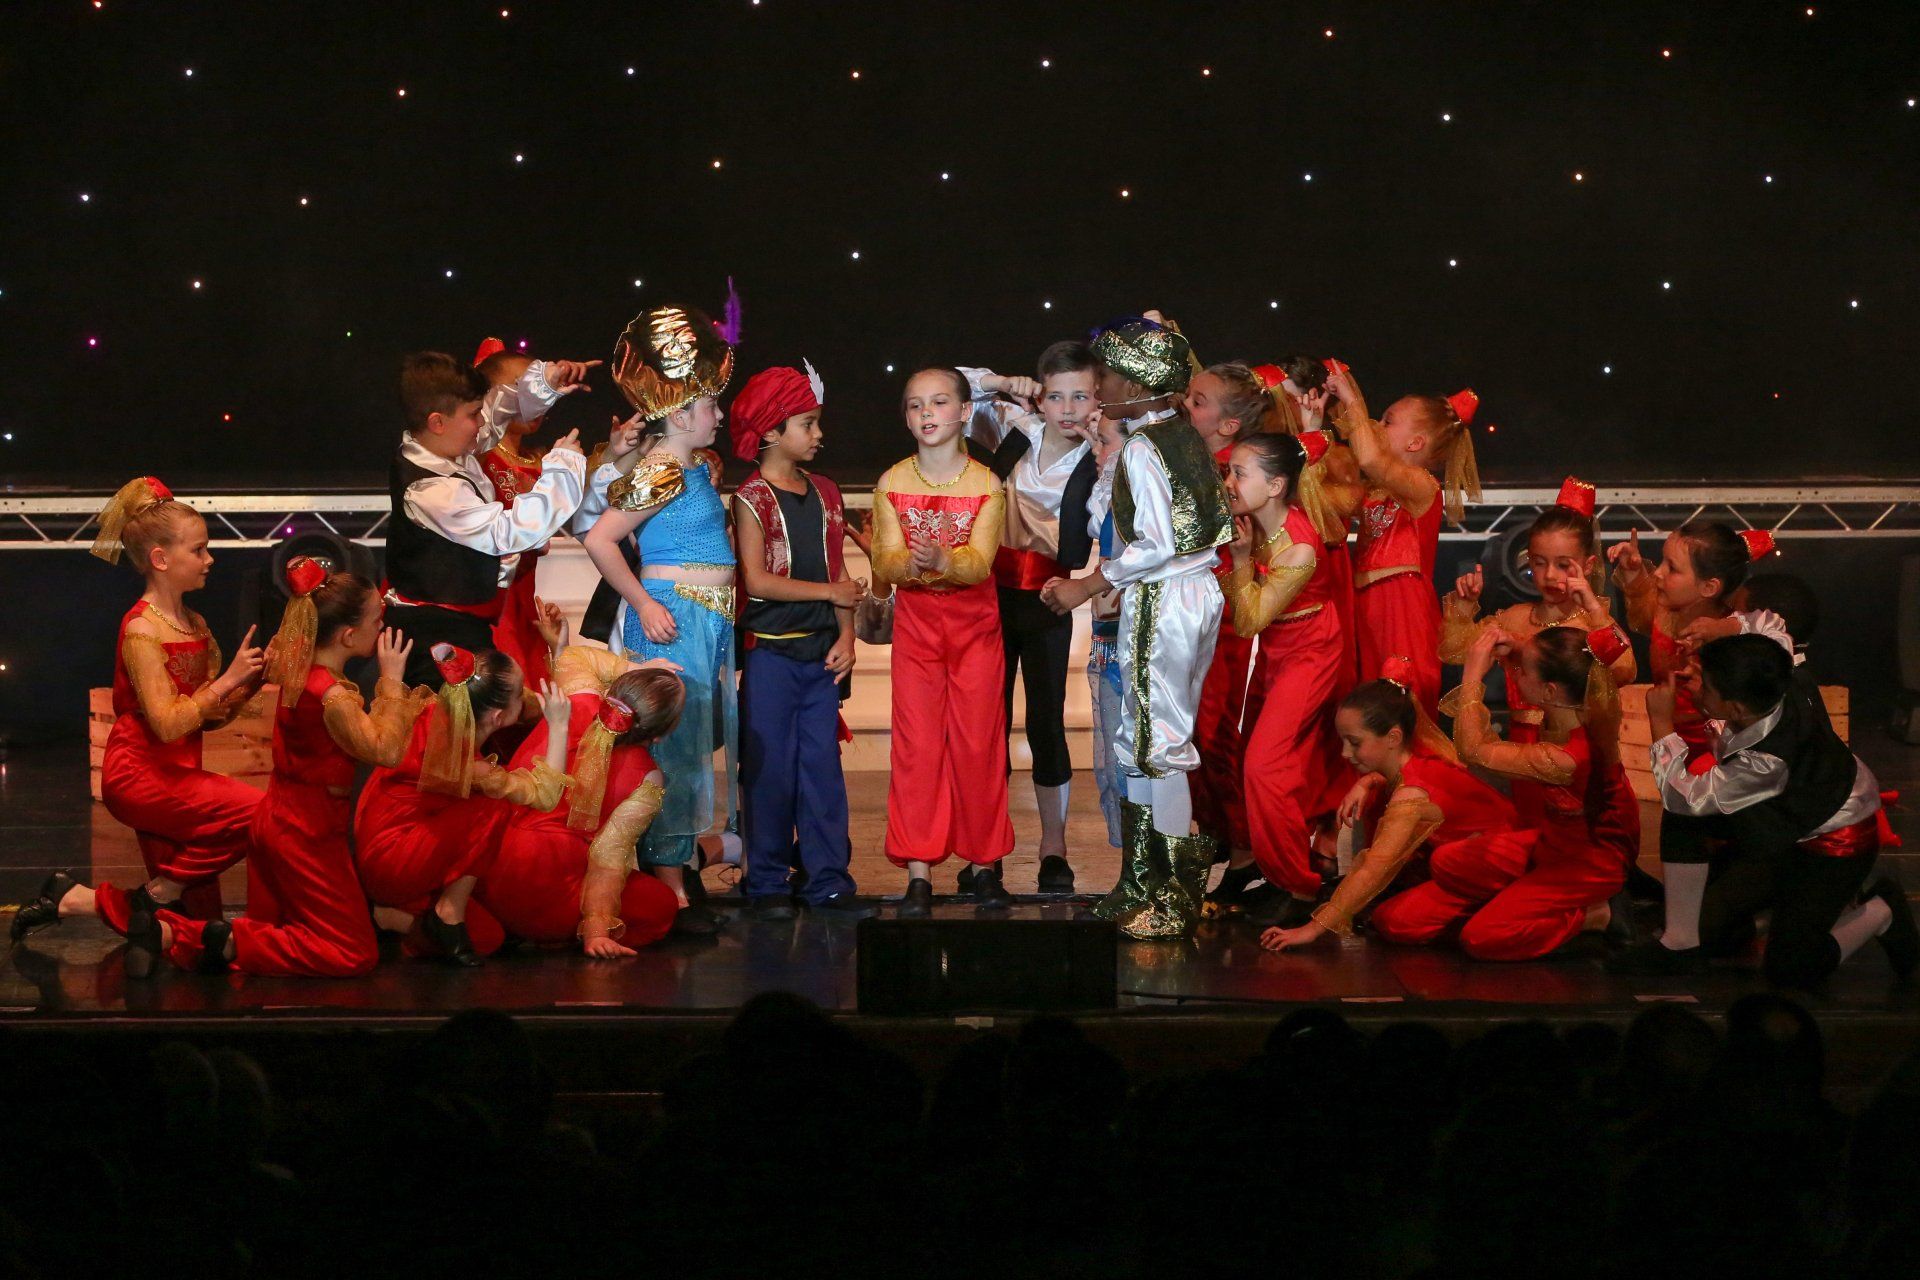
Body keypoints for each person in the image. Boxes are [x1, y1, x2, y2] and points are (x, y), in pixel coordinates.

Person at [122, 563, 432, 978]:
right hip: (306, 835)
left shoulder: (300, 672)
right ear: (347, 635)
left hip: (276, 824)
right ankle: (223, 940)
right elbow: (386, 750)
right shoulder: (332, 696)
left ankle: (169, 933)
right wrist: (391, 681)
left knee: (280, 933)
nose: (382, 627)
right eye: (377, 619)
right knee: (354, 954)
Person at [1041, 320, 1231, 939]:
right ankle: (1141, 878)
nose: (1099, 388)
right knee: (1142, 737)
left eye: (1108, 377)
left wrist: (1086, 586)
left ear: (1139, 385)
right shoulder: (1178, 436)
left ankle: (1171, 893)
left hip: (1166, 596)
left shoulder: (1147, 447)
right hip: (1187, 594)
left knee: (1159, 744)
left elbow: (1156, 544)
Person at [1609, 634, 1915, 983]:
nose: (1694, 685)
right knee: (1708, 926)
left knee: (1790, 968)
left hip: (1833, 840)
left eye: (1706, 685)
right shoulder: (1778, 681)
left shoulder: (1767, 758)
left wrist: (1662, 724)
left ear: (1737, 708)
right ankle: (1681, 943)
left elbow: (1687, 797)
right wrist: (1716, 633)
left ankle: (1882, 909)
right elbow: (1770, 630)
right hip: (1779, 817)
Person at [581, 306, 740, 925]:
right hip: (674, 616)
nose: (718, 415)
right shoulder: (664, 470)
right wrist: (645, 603)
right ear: (679, 414)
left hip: (706, 617)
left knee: (693, 746)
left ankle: (675, 869)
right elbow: (601, 540)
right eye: (710, 405)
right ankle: (670, 882)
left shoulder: (693, 467)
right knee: (674, 748)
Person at [1372, 625, 1641, 959]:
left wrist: (1472, 676)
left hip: (1587, 863)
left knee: (1481, 938)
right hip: (1550, 845)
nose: (1515, 674)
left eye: (1522, 671)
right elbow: (1549, 666)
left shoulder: (1566, 758)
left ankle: (1597, 914)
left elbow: (1473, 750)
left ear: (1550, 690)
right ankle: (1511, 904)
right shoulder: (1573, 705)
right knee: (1433, 875)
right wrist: (1517, 649)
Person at [75, 478, 268, 935]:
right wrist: (228, 679)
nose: (209, 559)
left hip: (179, 770)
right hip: (141, 773)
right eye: (198, 550)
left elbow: (207, 714)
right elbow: (166, 723)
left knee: (196, 923)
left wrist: (252, 681)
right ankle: (159, 891)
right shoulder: (142, 630)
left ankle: (76, 901)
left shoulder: (193, 622)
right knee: (262, 813)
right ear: (161, 559)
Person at [869, 366, 1014, 915]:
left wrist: (942, 558)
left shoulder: (987, 485)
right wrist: (913, 563)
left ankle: (985, 866)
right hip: (918, 623)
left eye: (938, 402)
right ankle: (918, 872)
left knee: (979, 743)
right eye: (915, 405)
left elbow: (978, 565)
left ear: (964, 411)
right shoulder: (891, 483)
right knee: (918, 745)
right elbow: (885, 561)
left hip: (975, 624)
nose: (926, 413)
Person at [728, 361, 869, 919]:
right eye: (807, 424)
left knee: (822, 770)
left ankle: (827, 879)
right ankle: (765, 881)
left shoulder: (827, 492)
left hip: (820, 656)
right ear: (770, 430)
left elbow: (840, 573)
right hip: (770, 654)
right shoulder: (751, 498)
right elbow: (758, 581)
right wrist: (832, 593)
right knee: (769, 770)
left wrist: (848, 635)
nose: (818, 434)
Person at [1261, 665, 1529, 952]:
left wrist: (1312, 929)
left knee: (1395, 922)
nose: (1345, 753)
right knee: (1387, 911)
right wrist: (1367, 781)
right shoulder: (1411, 763)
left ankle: (1501, 908)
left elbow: (1373, 868)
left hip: (1493, 860)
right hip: (1463, 860)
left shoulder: (1411, 796)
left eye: (1354, 743)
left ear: (1393, 738)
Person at [383, 349, 595, 686]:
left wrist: (545, 382)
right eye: (472, 415)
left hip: (462, 626)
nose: (481, 423)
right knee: (456, 718)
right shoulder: (430, 490)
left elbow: (497, 413)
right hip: (436, 635)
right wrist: (563, 469)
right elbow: (506, 532)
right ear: (437, 422)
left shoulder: (440, 448)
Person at [353, 644, 571, 964]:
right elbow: (546, 795)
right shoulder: (463, 765)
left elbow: (520, 704)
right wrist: (560, 726)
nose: (524, 697)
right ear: (498, 717)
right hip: (392, 858)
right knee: (494, 807)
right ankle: (447, 912)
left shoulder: (443, 708)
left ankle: (389, 917)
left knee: (488, 938)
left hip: (408, 839)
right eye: (518, 694)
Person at [976, 341, 1102, 893]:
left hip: (1051, 599)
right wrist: (1004, 383)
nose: (1068, 409)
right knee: (988, 724)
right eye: (1055, 396)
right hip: (990, 598)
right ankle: (986, 847)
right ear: (1040, 397)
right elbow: (950, 385)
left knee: (1046, 723)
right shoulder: (1015, 429)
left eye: (1081, 396)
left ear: (1098, 399)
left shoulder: (1100, 458)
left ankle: (1054, 847)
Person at [481, 640, 688, 952]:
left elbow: (575, 655)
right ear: (658, 735)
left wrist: (637, 667)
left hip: (484, 867)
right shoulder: (647, 776)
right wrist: (596, 930)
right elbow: (608, 859)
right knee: (660, 904)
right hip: (546, 887)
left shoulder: (578, 699)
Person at [1324, 366, 1482, 716]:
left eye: (1388, 421)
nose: (1377, 427)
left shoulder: (1423, 486)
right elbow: (1328, 493)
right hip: (1365, 605)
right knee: (1367, 710)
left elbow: (1369, 457)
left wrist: (1352, 401)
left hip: (1401, 607)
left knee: (1400, 705)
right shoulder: (1373, 490)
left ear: (1415, 443)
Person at [1440, 477, 1635, 741]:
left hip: (1575, 752)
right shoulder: (1515, 618)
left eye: (1563, 565)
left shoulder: (1594, 625)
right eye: (1540, 563)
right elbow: (1456, 652)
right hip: (1521, 749)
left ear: (1587, 566)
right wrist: (1464, 605)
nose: (1550, 575)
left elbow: (1625, 671)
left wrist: (1592, 607)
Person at [473, 339, 561, 693]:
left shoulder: (540, 462)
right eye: (527, 389)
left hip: (525, 600)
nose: (540, 398)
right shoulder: (477, 455)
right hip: (490, 601)